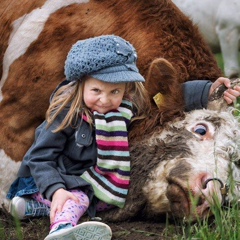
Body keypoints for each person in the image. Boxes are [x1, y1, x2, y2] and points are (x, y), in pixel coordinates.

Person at [6, 35, 240, 240]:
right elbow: (39, 159)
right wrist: (56, 190)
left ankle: (32, 208)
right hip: (50, 179)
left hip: (82, 178)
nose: (105, 100)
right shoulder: (65, 116)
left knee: (107, 199)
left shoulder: (123, 109)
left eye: (115, 91)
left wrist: (208, 91)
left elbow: (172, 95)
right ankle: (62, 230)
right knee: (78, 200)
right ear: (79, 85)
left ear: (125, 90)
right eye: (96, 91)